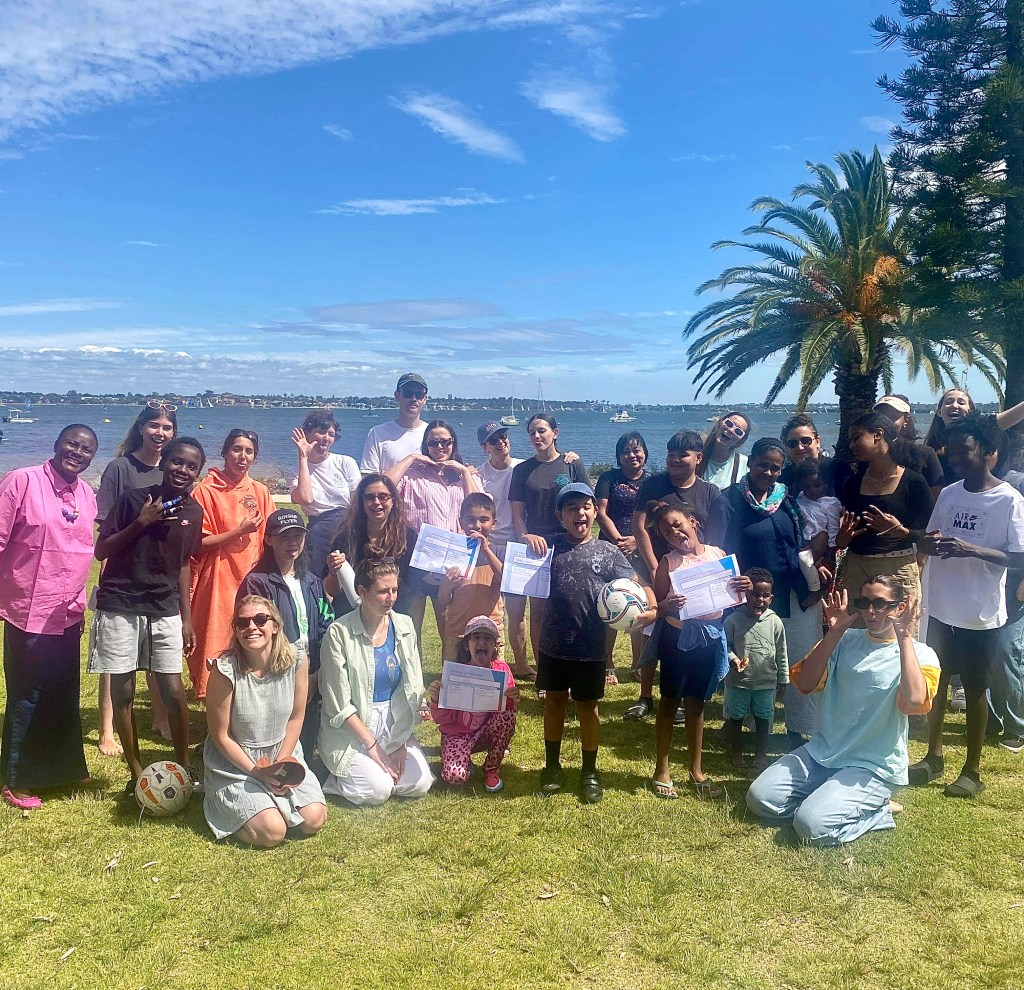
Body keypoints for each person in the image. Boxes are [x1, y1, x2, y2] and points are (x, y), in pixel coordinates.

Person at [746, 579, 938, 847]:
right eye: (864, 603)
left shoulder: (921, 654)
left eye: (880, 604)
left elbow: (915, 702)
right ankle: (825, 802)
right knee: (759, 799)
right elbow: (805, 684)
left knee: (811, 828)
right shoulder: (845, 640)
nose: (871, 611)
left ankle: (878, 811)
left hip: (872, 765)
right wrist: (834, 632)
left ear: (900, 607)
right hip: (822, 752)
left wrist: (905, 637)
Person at [912, 413, 1024, 797]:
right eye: (952, 451)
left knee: (975, 688)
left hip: (980, 610)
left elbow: (1020, 557)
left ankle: (972, 771)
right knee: (938, 679)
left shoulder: (1009, 500)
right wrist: (925, 541)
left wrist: (969, 549)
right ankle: (933, 756)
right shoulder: (949, 493)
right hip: (941, 603)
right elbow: (929, 537)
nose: (956, 458)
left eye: (966, 451)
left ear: (989, 451)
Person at [89, 437, 206, 795]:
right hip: (121, 603)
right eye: (177, 461)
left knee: (173, 691)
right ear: (164, 461)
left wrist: (186, 618)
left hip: (164, 607)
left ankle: (183, 768)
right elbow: (101, 550)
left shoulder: (193, 511)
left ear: (197, 473)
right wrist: (141, 522)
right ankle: (136, 773)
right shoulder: (133, 500)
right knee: (123, 690)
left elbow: (183, 564)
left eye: (191, 466)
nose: (182, 470)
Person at [536, 483, 656, 804]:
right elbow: (518, 564)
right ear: (560, 515)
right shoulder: (549, 547)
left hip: (591, 649)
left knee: (588, 708)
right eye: (572, 507)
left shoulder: (608, 552)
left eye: (586, 506)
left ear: (595, 512)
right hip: (553, 645)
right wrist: (528, 539)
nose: (580, 513)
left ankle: (589, 770)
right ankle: (552, 766)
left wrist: (654, 606)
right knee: (554, 704)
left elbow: (640, 584)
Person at [0, 425, 99, 810]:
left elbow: (82, 552)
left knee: (62, 692)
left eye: (87, 449)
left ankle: (63, 769)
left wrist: (80, 603)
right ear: (57, 444)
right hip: (28, 609)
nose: (78, 452)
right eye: (72, 444)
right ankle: (18, 777)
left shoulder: (86, 494)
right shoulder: (21, 481)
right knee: (28, 695)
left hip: (67, 612)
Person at [706, 437, 822, 749]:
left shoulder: (786, 500)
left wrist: (812, 584)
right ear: (751, 463)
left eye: (775, 468)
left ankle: (799, 729)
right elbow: (716, 552)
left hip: (793, 595)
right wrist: (734, 583)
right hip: (749, 601)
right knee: (749, 663)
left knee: (799, 661)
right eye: (762, 465)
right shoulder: (728, 501)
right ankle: (736, 726)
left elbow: (799, 543)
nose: (768, 473)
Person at [644, 501, 751, 799]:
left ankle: (696, 770)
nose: (674, 533)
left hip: (710, 638)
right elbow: (658, 607)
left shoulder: (718, 556)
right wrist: (668, 604)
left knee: (697, 704)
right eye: (667, 532)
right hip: (677, 640)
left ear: (693, 522)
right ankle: (662, 769)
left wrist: (744, 585)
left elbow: (733, 594)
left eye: (677, 524)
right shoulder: (668, 563)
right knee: (669, 702)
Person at [202, 596, 328, 847]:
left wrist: (281, 763)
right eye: (242, 622)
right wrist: (258, 773)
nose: (251, 627)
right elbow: (221, 736)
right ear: (236, 630)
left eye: (260, 619)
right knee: (273, 833)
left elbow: (296, 717)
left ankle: (269, 808)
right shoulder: (224, 671)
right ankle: (224, 806)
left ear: (275, 626)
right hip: (236, 764)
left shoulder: (297, 660)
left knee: (314, 819)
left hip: (283, 752)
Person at [94, 401, 179, 753]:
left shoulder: (174, 470)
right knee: (114, 657)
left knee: (156, 653)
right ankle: (106, 729)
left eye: (167, 427)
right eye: (154, 425)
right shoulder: (120, 468)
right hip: (121, 575)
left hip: (158, 576)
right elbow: (104, 527)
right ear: (141, 428)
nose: (160, 432)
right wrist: (104, 576)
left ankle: (160, 716)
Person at [318, 555, 433, 806]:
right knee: (378, 791)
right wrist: (373, 747)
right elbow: (339, 705)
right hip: (352, 729)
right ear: (362, 591)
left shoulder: (405, 625)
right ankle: (337, 780)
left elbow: (412, 685)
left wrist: (401, 740)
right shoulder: (339, 633)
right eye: (382, 591)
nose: (390, 598)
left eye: (394, 590)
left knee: (420, 783)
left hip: (393, 722)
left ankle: (379, 770)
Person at [626, 430, 721, 721]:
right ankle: (645, 696)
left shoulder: (710, 492)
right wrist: (655, 566)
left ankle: (681, 696)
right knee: (650, 631)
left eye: (683, 455)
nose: (675, 460)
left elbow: (712, 534)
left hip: (693, 576)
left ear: (698, 458)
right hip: (656, 568)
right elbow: (639, 526)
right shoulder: (653, 484)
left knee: (684, 632)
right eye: (671, 455)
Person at [237, 509, 334, 766]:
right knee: (276, 734)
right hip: (276, 671)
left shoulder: (312, 582)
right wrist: (286, 670)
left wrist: (316, 672)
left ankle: (303, 770)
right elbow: (254, 633)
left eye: (297, 536)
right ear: (268, 540)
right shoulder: (257, 583)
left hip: (310, 671)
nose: (292, 543)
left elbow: (325, 623)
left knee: (306, 731)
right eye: (284, 537)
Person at [189, 429, 275, 700]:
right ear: (225, 452)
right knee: (217, 637)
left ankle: (250, 698)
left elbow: (271, 537)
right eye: (237, 449)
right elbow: (196, 542)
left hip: (253, 576)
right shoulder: (205, 491)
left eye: (249, 451)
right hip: (218, 576)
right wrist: (238, 532)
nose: (242, 456)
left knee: (253, 635)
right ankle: (213, 699)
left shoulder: (260, 491)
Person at [387, 420, 480, 643]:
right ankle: (413, 666)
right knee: (411, 627)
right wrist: (411, 458)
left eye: (445, 442)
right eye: (433, 443)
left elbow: (479, 506)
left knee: (449, 625)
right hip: (417, 556)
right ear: (425, 445)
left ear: (453, 443)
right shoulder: (413, 474)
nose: (439, 447)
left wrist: (463, 472)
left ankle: (449, 666)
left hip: (453, 558)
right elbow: (383, 485)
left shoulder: (465, 475)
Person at [508, 414, 590, 668]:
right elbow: (517, 514)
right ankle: (544, 671)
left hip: (568, 544)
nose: (536, 436)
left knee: (572, 607)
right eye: (532, 432)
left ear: (555, 433)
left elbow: (586, 506)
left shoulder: (572, 464)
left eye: (542, 431)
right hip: (536, 548)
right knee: (540, 612)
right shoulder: (522, 470)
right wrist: (525, 536)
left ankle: (572, 665)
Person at [836, 413, 934, 608]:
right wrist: (843, 538)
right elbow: (841, 541)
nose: (852, 445)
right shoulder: (852, 483)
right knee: (855, 627)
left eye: (856, 437)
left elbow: (930, 535)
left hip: (897, 570)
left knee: (900, 627)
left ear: (878, 434)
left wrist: (900, 531)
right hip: (857, 571)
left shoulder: (914, 481)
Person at [426, 615, 519, 791]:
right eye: (476, 637)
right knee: (455, 776)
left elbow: (508, 711)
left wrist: (512, 698)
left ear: (495, 646)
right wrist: (436, 700)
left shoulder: (501, 670)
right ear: (466, 645)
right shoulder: (455, 674)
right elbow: (441, 719)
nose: (482, 642)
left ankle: (491, 769)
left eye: (488, 638)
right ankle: (463, 762)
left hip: (485, 732)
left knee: (508, 717)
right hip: (457, 734)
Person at [595, 432, 651, 684]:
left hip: (642, 550)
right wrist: (620, 541)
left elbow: (656, 517)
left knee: (640, 604)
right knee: (612, 602)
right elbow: (601, 512)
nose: (632, 455)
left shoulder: (653, 482)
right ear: (619, 456)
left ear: (645, 453)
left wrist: (636, 541)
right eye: (626, 451)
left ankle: (638, 663)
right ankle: (608, 662)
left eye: (636, 450)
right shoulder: (609, 478)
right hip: (611, 549)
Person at [476, 422, 530, 679]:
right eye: (493, 440)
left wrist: (569, 458)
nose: (501, 442)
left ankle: (521, 664)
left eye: (503, 436)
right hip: (486, 548)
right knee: (487, 609)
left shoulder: (523, 467)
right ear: (484, 447)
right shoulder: (477, 475)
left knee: (517, 612)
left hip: (516, 547)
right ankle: (486, 663)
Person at [723, 568, 788, 771]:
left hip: (765, 683)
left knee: (763, 718)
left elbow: (781, 652)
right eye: (754, 594)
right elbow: (725, 647)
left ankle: (761, 754)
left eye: (765, 595)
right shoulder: (733, 620)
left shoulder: (775, 622)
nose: (760, 599)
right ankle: (736, 753)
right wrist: (733, 660)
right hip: (738, 682)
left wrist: (783, 679)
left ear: (771, 598)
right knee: (735, 717)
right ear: (744, 595)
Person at [325, 473, 409, 616]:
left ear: (393, 500)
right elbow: (332, 591)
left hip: (393, 614)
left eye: (383, 496)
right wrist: (334, 571)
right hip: (351, 615)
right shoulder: (346, 537)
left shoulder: (408, 538)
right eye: (370, 497)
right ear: (361, 502)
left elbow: (415, 586)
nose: (376, 502)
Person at [289, 409, 361, 578]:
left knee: (350, 579)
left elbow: (357, 501)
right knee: (316, 579)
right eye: (321, 432)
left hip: (346, 525)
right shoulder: (294, 470)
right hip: (319, 529)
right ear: (307, 434)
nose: (326, 438)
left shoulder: (345, 462)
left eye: (331, 434)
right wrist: (303, 458)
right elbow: (306, 499)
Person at [437, 493, 504, 661]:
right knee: (455, 677)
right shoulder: (452, 553)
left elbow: (505, 580)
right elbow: (443, 600)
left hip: (491, 633)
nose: (477, 526)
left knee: (492, 676)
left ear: (494, 523)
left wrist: (485, 550)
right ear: (461, 522)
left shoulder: (499, 552)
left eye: (484, 520)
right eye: (470, 520)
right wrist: (447, 584)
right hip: (457, 633)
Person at [924, 388, 1024, 488]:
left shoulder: (982, 432)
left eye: (961, 402)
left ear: (971, 411)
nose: (954, 405)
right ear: (939, 412)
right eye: (948, 402)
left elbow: (1010, 416)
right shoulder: (931, 447)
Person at [873, 395, 944, 497]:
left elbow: (937, 496)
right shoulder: (868, 454)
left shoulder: (925, 454)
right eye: (882, 415)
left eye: (893, 416)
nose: (885, 422)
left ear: (905, 420)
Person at [360, 373, 429, 475]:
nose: (414, 399)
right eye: (408, 393)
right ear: (397, 396)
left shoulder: (434, 436)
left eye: (419, 395)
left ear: (425, 399)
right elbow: (369, 477)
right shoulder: (377, 434)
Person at [793, 459, 842, 596]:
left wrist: (830, 553)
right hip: (800, 541)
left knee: (805, 561)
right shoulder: (800, 498)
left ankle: (815, 590)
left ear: (825, 484)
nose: (812, 490)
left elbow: (833, 528)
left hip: (817, 542)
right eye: (807, 487)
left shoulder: (830, 503)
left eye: (817, 485)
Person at [779, 414, 837, 496]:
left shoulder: (837, 470)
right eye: (792, 443)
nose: (800, 447)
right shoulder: (782, 480)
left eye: (805, 440)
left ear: (817, 441)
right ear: (786, 447)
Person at [698, 411, 751, 489]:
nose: (731, 430)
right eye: (729, 424)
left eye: (738, 432)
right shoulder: (695, 455)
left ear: (740, 441)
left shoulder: (745, 465)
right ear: (719, 423)